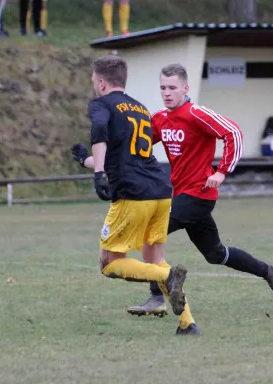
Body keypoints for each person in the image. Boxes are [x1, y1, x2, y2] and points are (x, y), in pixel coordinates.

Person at [77, 63, 273, 317]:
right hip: (180, 195)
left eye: (172, 88)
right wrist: (92, 161)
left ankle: (157, 297)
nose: (166, 93)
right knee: (215, 253)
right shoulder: (160, 119)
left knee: (151, 235)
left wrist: (221, 172)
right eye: (163, 88)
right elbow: (133, 149)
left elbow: (233, 133)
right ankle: (269, 271)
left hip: (199, 194)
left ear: (185, 88)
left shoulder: (196, 114)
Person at [70, 55, 200, 335]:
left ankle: (167, 276)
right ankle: (187, 323)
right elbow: (118, 154)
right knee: (154, 258)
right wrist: (87, 161)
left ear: (101, 82)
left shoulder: (101, 104)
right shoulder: (139, 108)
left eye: (94, 81)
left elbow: (100, 131)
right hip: (161, 191)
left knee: (109, 264)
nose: (94, 85)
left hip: (133, 195)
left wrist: (98, 175)